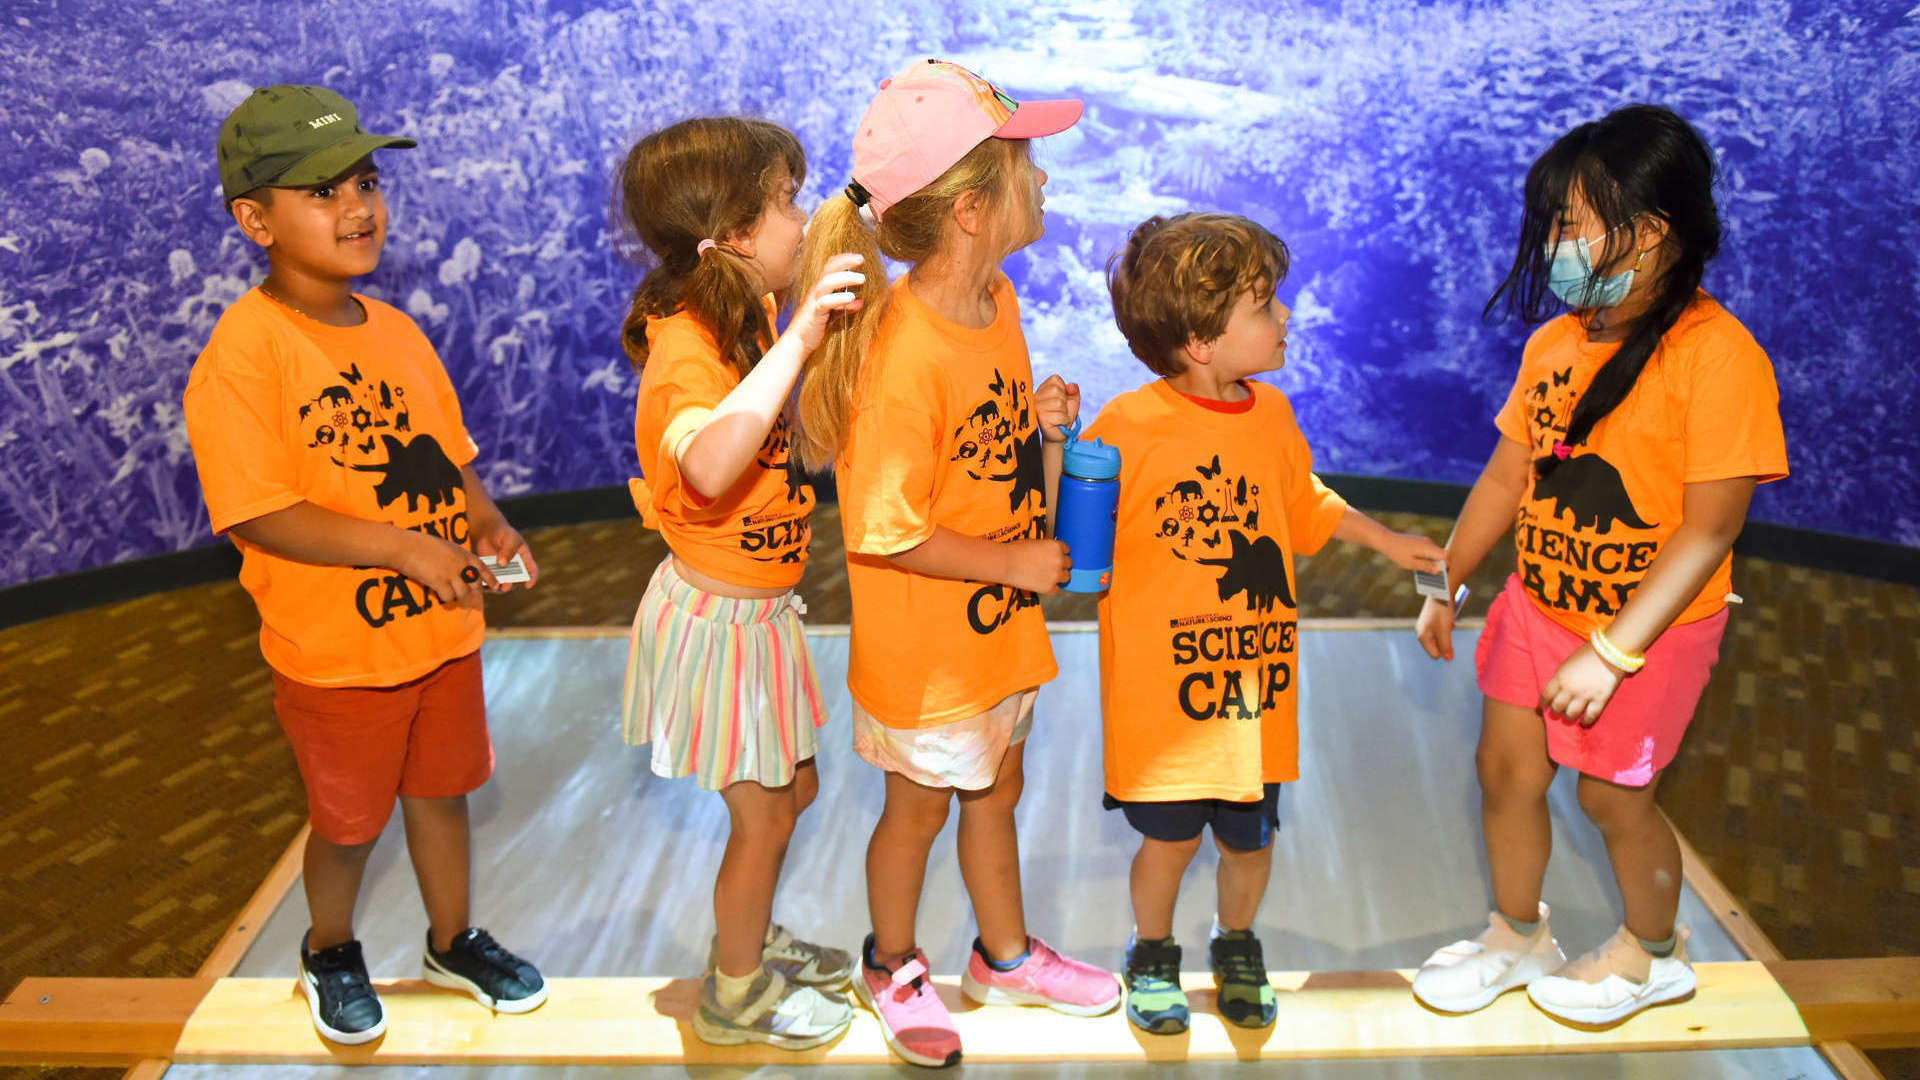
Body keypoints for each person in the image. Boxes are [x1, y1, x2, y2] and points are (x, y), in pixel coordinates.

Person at [1409, 104, 1789, 1027]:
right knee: (1505, 773)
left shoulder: (1720, 359)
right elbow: (1508, 473)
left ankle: (1654, 954)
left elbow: (1709, 532)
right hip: (1538, 610)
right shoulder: (1556, 344)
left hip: (1648, 635)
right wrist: (1444, 578)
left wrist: (1613, 652)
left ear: (1648, 231)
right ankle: (1517, 932)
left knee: (1615, 801)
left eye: (1569, 225)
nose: (1554, 246)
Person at [183, 84, 546, 1045]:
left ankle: (453, 939)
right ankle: (329, 948)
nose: (357, 207)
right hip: (337, 657)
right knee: (348, 824)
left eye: (366, 182)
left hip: (441, 632)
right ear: (254, 220)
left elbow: (446, 460)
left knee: (442, 794)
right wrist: (402, 548)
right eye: (321, 191)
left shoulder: (395, 331)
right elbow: (259, 512)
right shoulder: (245, 354)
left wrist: (488, 524)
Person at [792, 59, 1120, 1067]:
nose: (1045, 179)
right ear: (973, 209)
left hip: (994, 639)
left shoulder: (995, 301)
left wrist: (1044, 432)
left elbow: (986, 464)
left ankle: (1002, 955)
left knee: (999, 791)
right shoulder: (903, 353)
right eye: (1027, 165)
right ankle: (891, 963)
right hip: (928, 659)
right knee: (918, 811)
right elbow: (885, 531)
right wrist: (1016, 567)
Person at [1090, 212, 1447, 1033]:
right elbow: (1077, 529)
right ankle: (1152, 953)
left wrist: (1386, 540)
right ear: (1200, 341)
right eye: (1263, 305)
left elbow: (1302, 501)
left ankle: (1236, 941)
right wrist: (1054, 453)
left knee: (1250, 843)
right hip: (1164, 709)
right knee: (1169, 845)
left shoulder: (1272, 414)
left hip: (1253, 699)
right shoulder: (1128, 427)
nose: (1285, 314)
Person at [615, 116, 868, 1049]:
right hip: (716, 626)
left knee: (793, 794)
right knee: (762, 820)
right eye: (784, 203)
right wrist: (799, 339)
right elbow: (711, 465)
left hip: (760, 615)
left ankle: (749, 934)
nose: (799, 220)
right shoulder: (685, 348)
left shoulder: (746, 309)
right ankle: (734, 994)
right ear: (728, 236)